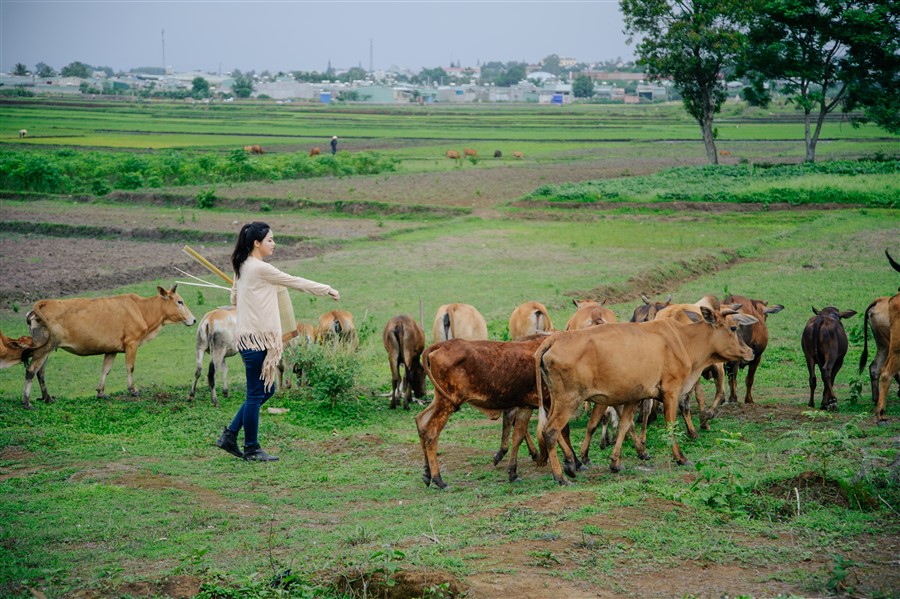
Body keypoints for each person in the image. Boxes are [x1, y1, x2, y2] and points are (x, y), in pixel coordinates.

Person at [216, 222, 340, 462]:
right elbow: (293, 280)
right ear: (256, 243)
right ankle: (251, 448)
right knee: (255, 395)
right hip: (255, 340)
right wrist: (327, 289)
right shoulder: (260, 268)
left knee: (267, 389)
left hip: (250, 338)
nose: (273, 244)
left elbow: (233, 296)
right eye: (270, 240)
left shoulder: (241, 265)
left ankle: (230, 435)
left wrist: (248, 296)